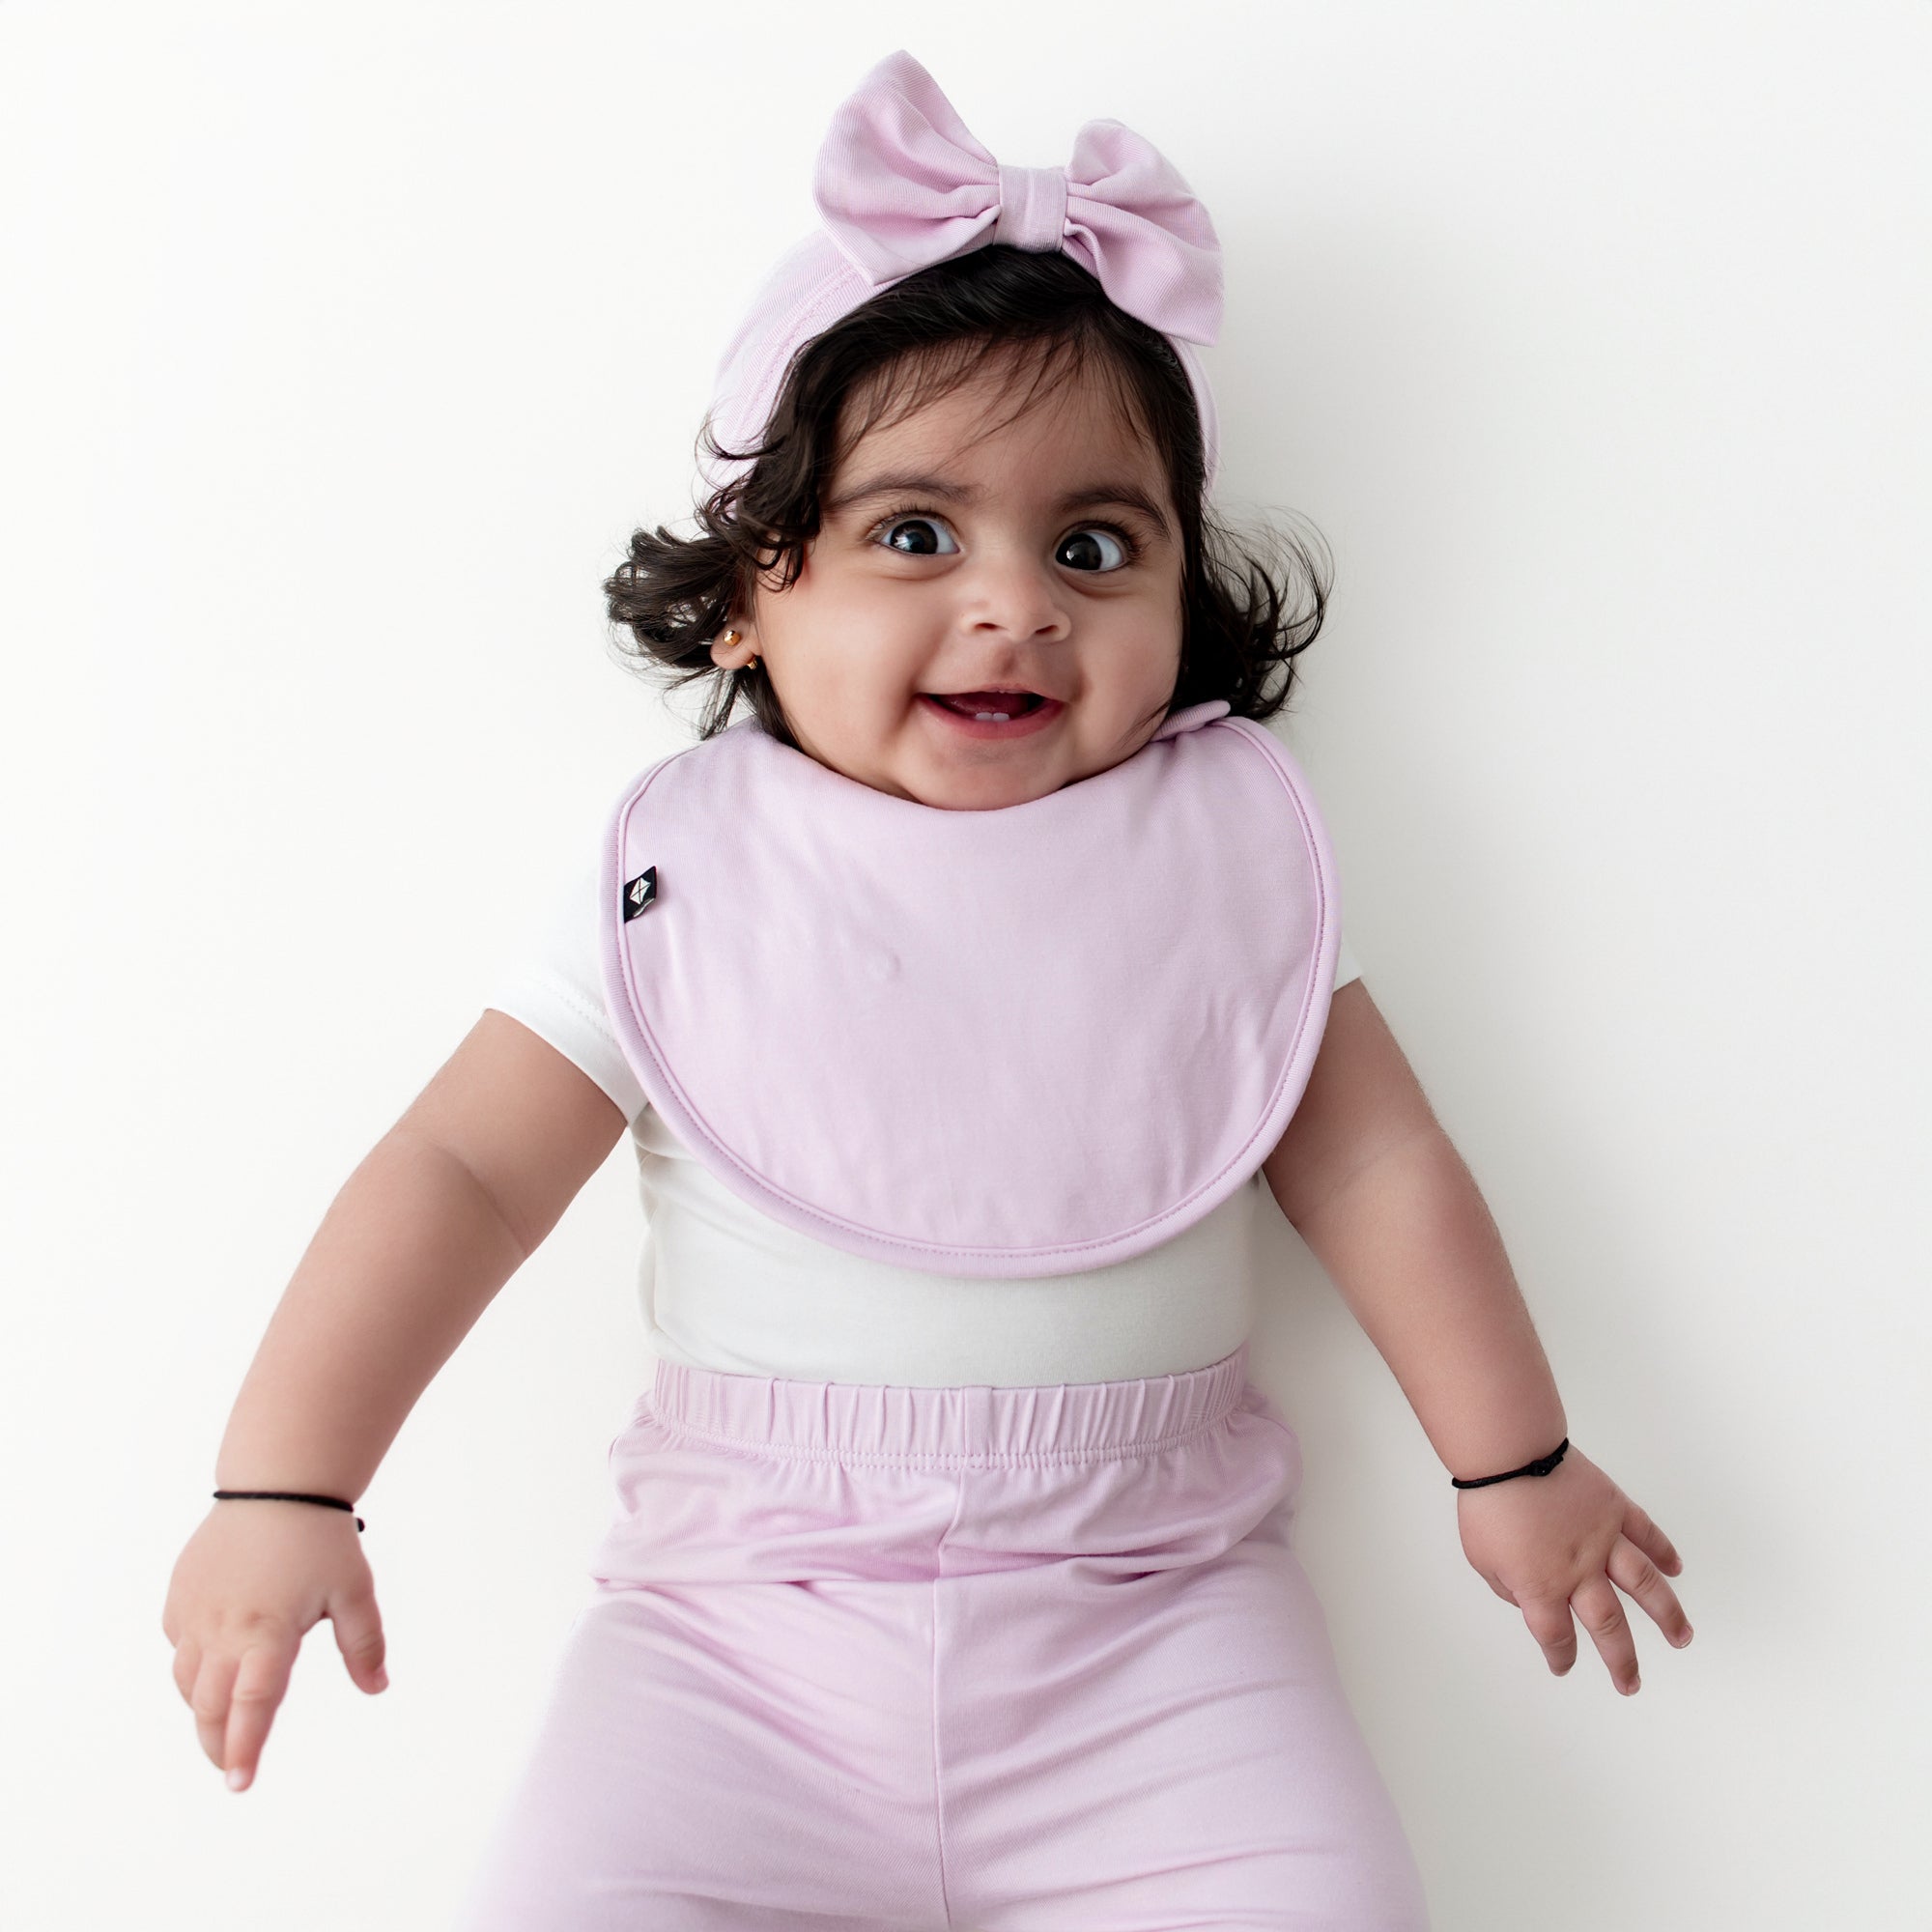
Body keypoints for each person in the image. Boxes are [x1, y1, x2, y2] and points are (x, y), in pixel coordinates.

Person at [160, 49, 1694, 1930]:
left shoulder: (1216, 855)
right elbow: (461, 1173)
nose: (1014, 600)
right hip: (738, 1657)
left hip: (1165, 1645)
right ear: (745, 593)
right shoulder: (679, 871)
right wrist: (284, 1487)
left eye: (1093, 543)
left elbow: (1375, 1169)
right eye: (912, 532)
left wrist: (1511, 1455)